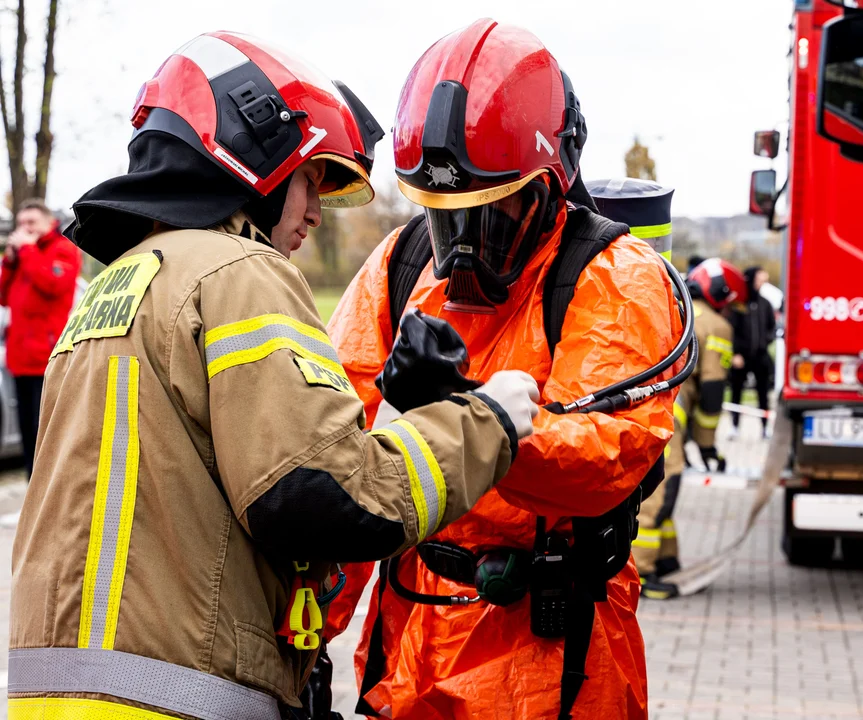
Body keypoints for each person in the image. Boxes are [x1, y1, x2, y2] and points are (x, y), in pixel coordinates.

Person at [8, 32, 539, 720]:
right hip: (178, 699)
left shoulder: (114, 289)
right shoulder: (238, 270)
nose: (316, 213)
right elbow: (323, 496)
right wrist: (486, 419)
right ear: (253, 153)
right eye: (309, 180)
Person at [323, 19, 680, 720]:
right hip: (409, 646)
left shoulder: (611, 280)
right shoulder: (397, 269)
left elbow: (603, 464)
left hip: (552, 655)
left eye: (487, 213)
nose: (459, 248)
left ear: (551, 184)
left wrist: (467, 410)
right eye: (441, 217)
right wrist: (302, 643)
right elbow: (337, 465)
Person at [634, 258, 742, 599]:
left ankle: (666, 560)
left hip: (647, 414)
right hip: (666, 421)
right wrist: (708, 444)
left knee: (664, 493)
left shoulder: (676, 309)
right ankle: (642, 574)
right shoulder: (716, 326)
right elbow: (712, 392)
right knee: (660, 496)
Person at [0, 198, 81, 478]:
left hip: (46, 358)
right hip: (19, 357)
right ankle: (30, 485)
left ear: (49, 223)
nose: (25, 229)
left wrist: (27, 251)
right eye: (22, 224)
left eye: (32, 222)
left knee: (45, 433)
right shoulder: (22, 255)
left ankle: (48, 488)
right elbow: (2, 297)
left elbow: (53, 285)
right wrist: (10, 263)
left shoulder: (63, 250)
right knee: (26, 431)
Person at [729, 265, 776, 437]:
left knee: (763, 393)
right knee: (736, 392)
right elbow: (731, 329)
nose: (762, 283)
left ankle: (764, 427)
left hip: (760, 356)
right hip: (741, 357)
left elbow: (771, 327)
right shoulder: (739, 304)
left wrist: (766, 341)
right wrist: (735, 353)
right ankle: (734, 426)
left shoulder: (765, 304)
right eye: (760, 280)